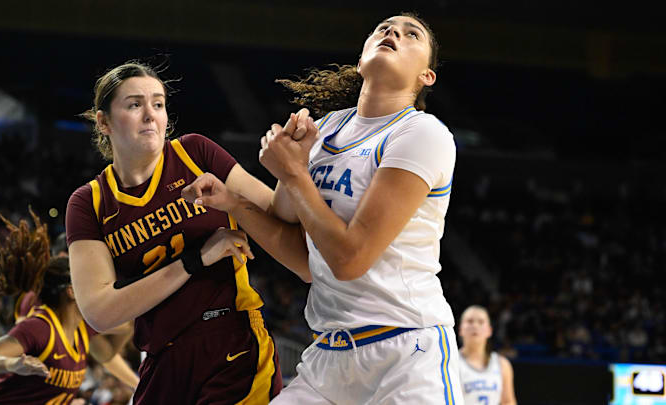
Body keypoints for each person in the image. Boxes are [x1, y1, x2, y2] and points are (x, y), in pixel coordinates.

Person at [182, 12, 463, 404]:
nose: (393, 33)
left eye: (410, 34)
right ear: (361, 58)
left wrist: (295, 174)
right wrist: (235, 203)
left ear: (426, 77)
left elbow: (350, 259)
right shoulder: (326, 129)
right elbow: (304, 258)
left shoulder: (422, 133)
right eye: (383, 28)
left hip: (406, 355)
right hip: (328, 359)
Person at [65, 61, 282, 404]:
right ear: (103, 121)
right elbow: (100, 312)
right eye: (135, 104)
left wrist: (291, 171)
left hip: (229, 337)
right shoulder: (88, 202)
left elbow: (277, 212)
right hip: (161, 356)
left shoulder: (195, 152)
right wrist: (196, 260)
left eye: (158, 104)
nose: (150, 115)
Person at [0, 210, 139, 404]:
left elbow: (107, 351)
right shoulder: (40, 324)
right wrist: (11, 363)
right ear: (71, 290)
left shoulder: (81, 326)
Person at [458, 306, 517, 405]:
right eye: (470, 321)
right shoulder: (451, 363)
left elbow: (508, 401)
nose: (475, 326)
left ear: (489, 330)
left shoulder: (502, 364)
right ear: (460, 329)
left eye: (481, 322)